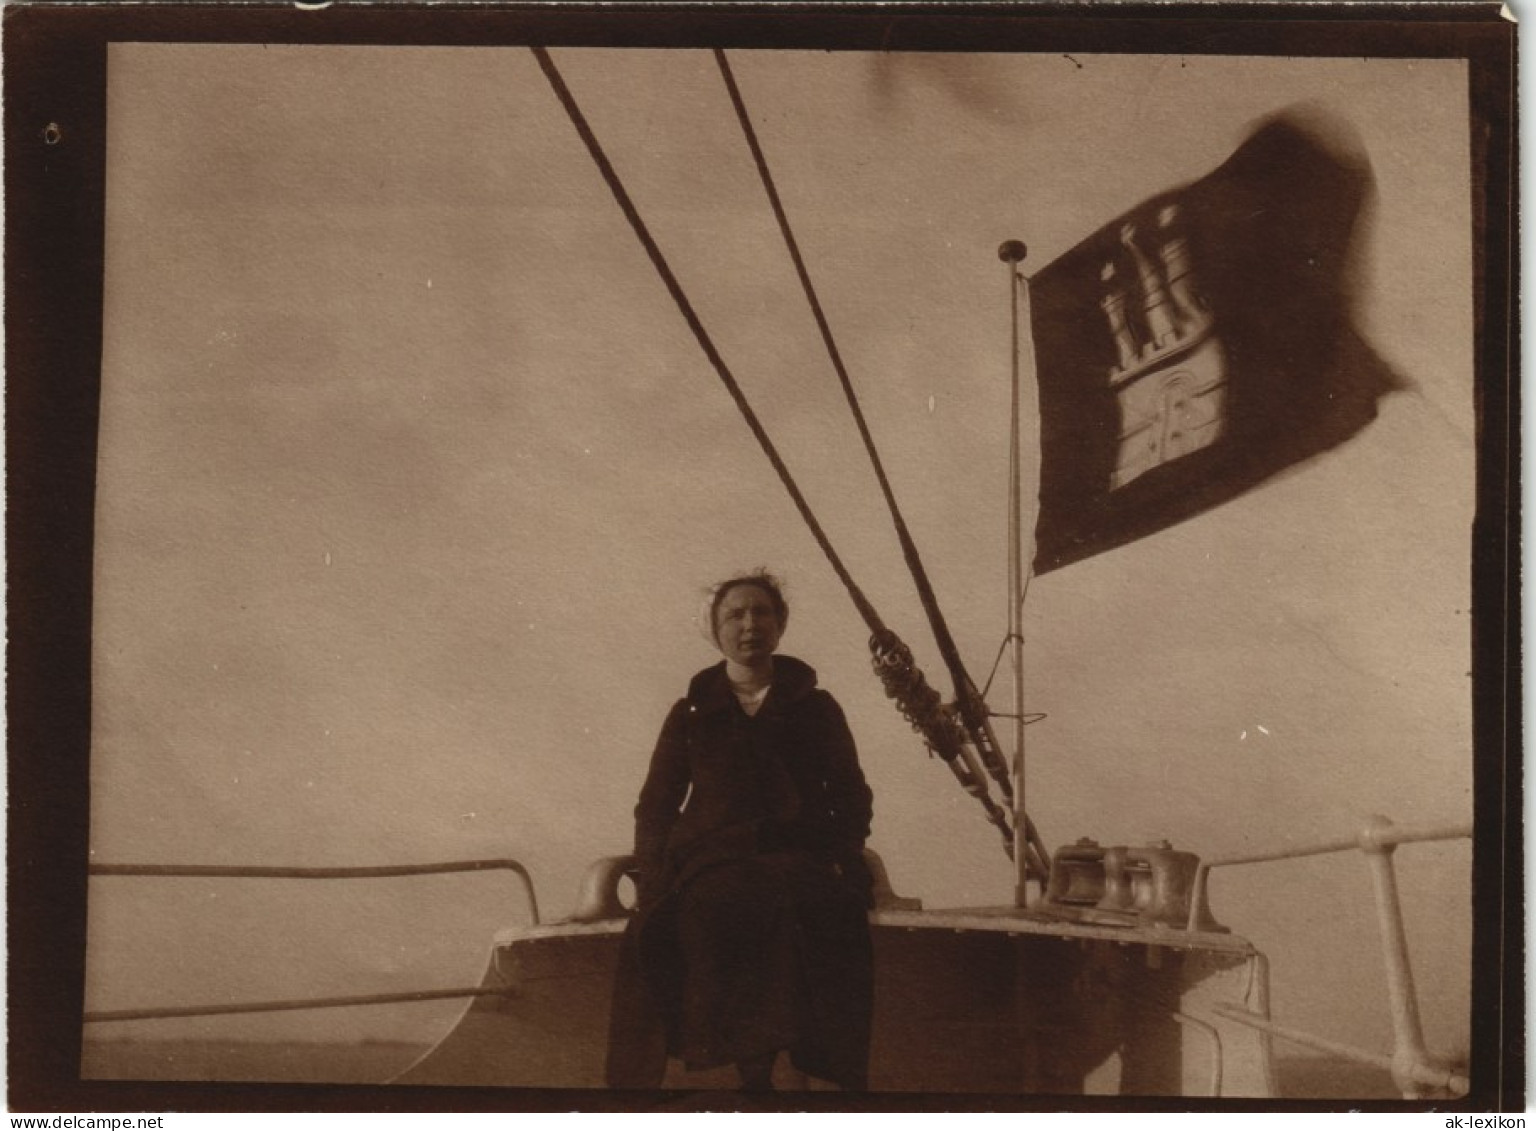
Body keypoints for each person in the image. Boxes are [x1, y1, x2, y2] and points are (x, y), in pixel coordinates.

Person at [606, 571, 875, 1092]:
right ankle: (752, 1074)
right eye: (735, 614)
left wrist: (843, 854)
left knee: (816, 910)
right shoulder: (689, 712)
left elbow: (851, 793)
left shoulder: (816, 708)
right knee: (705, 913)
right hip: (712, 861)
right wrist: (654, 874)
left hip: (798, 857)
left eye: (762, 612)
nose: (750, 624)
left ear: (780, 624)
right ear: (715, 628)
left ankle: (806, 1071)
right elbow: (656, 804)